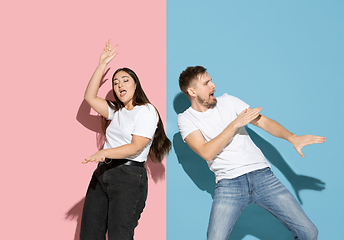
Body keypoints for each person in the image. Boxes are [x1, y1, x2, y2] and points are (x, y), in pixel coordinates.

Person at [177, 66, 326, 240]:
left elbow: (264, 122)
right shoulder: (186, 119)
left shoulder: (229, 101)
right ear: (192, 91)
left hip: (263, 177)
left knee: (309, 232)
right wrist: (234, 124)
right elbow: (206, 152)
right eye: (207, 83)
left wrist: (292, 137)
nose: (213, 85)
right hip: (229, 185)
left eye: (211, 80)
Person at [80, 40, 171, 240]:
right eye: (115, 82)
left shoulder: (146, 110)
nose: (119, 84)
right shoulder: (116, 111)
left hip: (128, 176)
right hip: (102, 174)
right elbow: (89, 97)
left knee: (119, 235)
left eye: (125, 80)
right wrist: (102, 64)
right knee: (89, 234)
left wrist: (104, 152)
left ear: (136, 84)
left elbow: (136, 146)